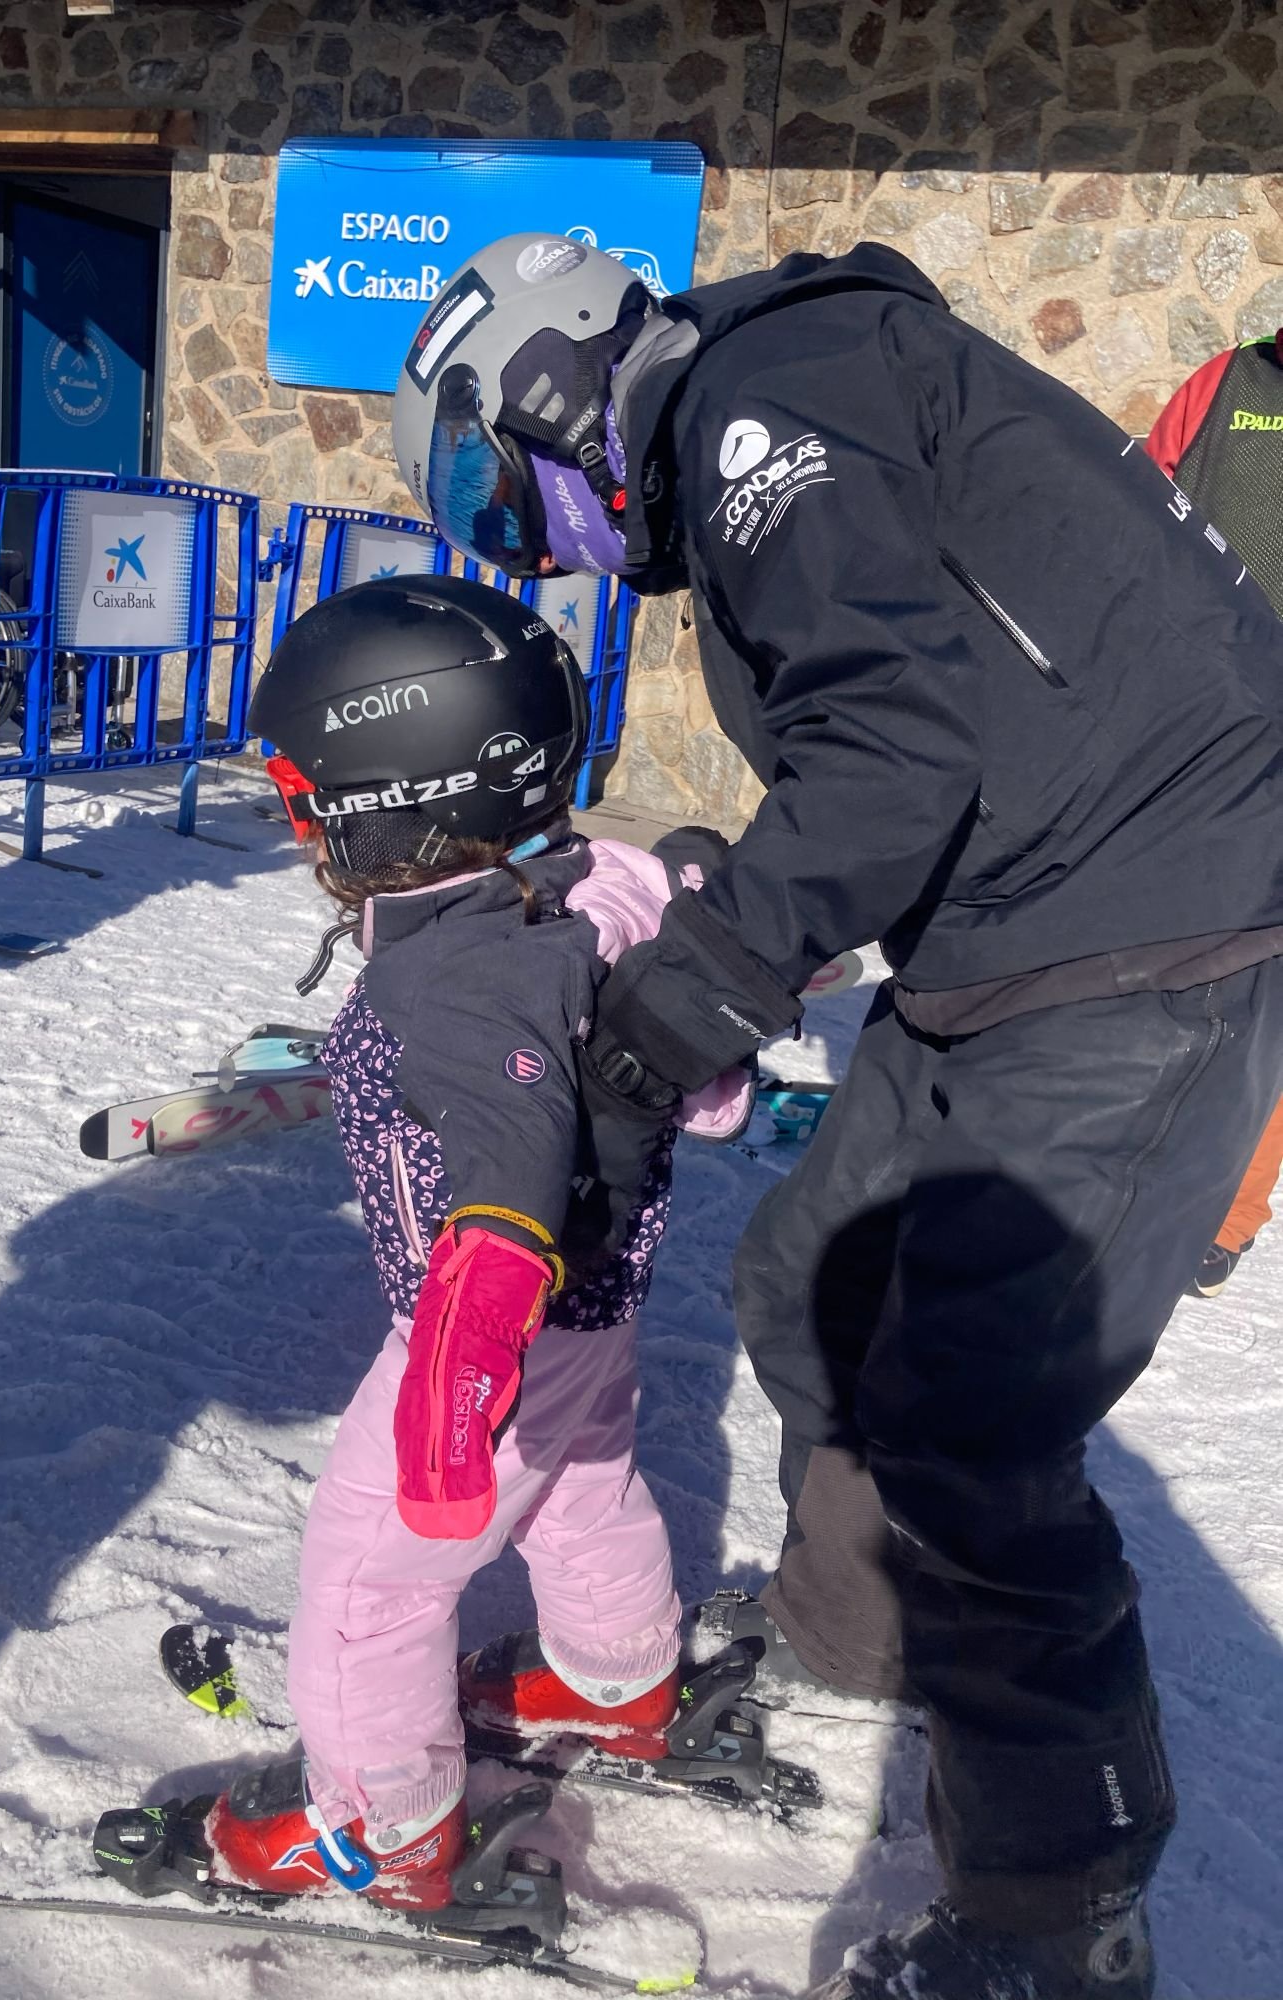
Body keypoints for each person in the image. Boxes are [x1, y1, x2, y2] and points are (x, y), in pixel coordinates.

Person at [393, 235, 1283, 2000]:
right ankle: (849, 1638)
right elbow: (895, 720)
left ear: (561, 397)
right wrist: (730, 893)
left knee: (975, 1429)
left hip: (1147, 935)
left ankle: (1061, 1915)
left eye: (506, 498)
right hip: (1024, 924)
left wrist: (700, 984)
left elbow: (893, 737)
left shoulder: (753, 406)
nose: (534, 545)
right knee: (815, 1279)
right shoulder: (785, 396)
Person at [200, 575, 750, 1917]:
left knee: (367, 1588)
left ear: (378, 795)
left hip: (486, 1335)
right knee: (580, 1486)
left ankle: (380, 1825)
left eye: (299, 791)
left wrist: (453, 1386)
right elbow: (716, 1082)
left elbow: (501, 1187)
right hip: (601, 1300)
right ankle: (617, 1683)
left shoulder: (461, 972)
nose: (293, 820)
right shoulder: (590, 884)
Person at [1146, 339, 1283, 1299]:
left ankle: (1228, 1206)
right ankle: (1136, 1151)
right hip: (1195, 725)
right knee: (1162, 942)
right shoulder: (1231, 383)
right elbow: (1138, 509)